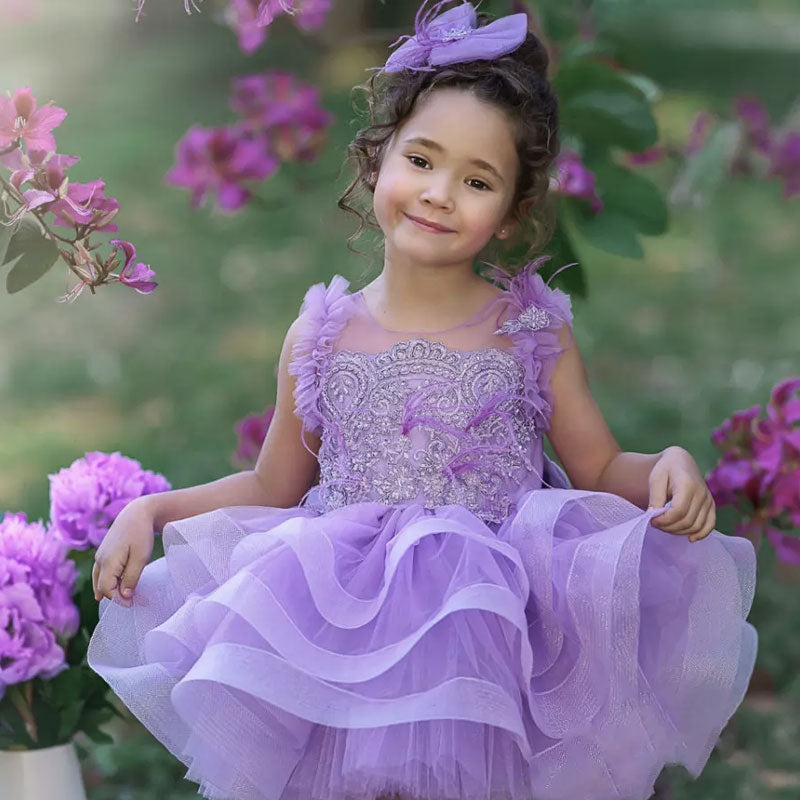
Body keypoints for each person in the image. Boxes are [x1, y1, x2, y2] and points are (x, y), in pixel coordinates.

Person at [88, 2, 758, 799]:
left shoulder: (531, 329)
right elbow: (274, 488)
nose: (440, 193)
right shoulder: (320, 335)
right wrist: (153, 512)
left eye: (477, 181)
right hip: (349, 625)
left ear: (511, 212)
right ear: (377, 160)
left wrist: (667, 466)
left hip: (493, 628)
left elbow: (600, 464)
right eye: (422, 160)